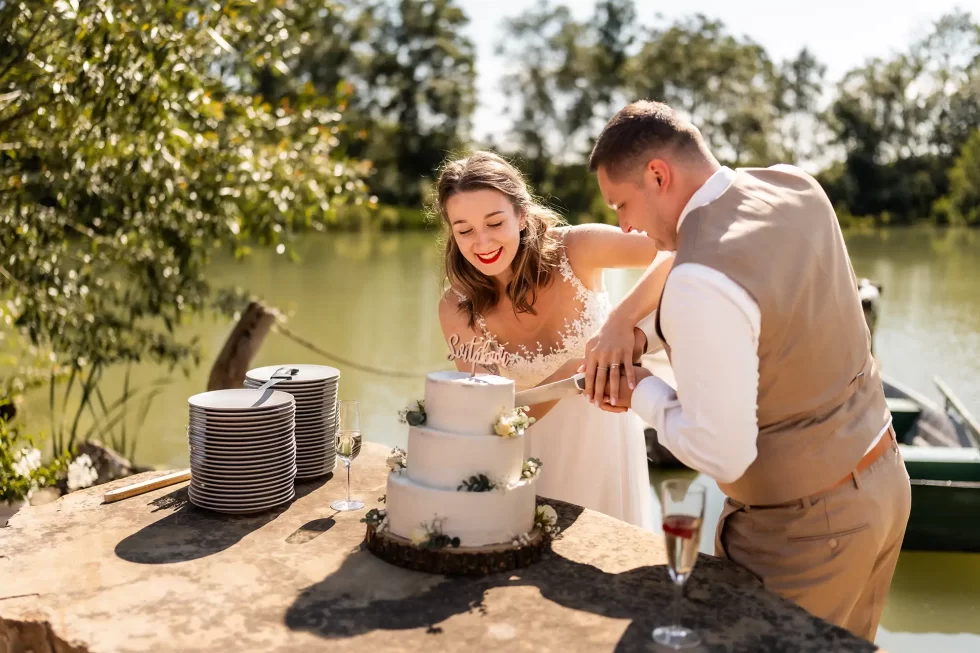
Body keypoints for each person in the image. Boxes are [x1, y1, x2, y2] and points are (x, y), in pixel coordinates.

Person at [580, 100, 911, 641]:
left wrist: (641, 391)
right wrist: (638, 330)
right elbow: (756, 309)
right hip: (884, 485)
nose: (627, 226)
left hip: (805, 534)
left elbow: (720, 452)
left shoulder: (698, 277)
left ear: (658, 175)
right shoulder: (795, 188)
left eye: (622, 205)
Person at [434, 150, 673, 530]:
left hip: (604, 445)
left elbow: (676, 249)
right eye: (464, 230)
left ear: (522, 215)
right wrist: (568, 375)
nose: (482, 242)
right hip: (528, 458)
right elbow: (488, 419)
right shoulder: (457, 306)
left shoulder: (578, 248)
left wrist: (624, 321)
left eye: (495, 222)